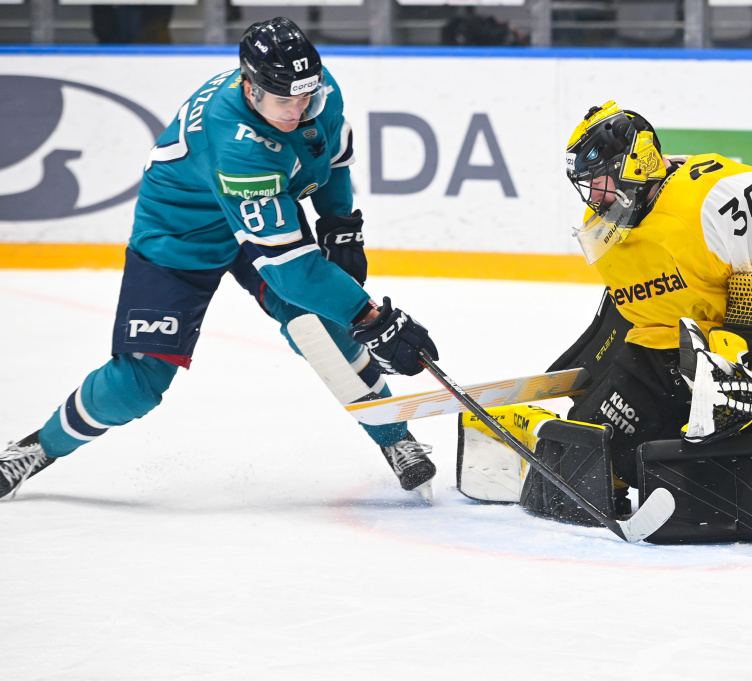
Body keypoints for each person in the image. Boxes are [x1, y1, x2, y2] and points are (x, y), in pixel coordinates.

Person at [0, 18, 439, 501]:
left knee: (321, 325)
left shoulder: (312, 87)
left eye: (306, 99)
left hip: (262, 203)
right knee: (136, 385)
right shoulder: (236, 145)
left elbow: (331, 153)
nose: (298, 111)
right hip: (182, 231)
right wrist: (371, 319)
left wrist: (340, 223)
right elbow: (289, 270)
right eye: (284, 102)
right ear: (251, 89)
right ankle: (36, 448)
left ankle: (394, 437)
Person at [558, 100, 752, 492]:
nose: (595, 197)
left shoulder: (720, 193)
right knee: (580, 468)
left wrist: (728, 364)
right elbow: (633, 308)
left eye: (600, 181)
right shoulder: (603, 226)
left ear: (635, 164)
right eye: (588, 186)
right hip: (669, 359)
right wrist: (595, 366)